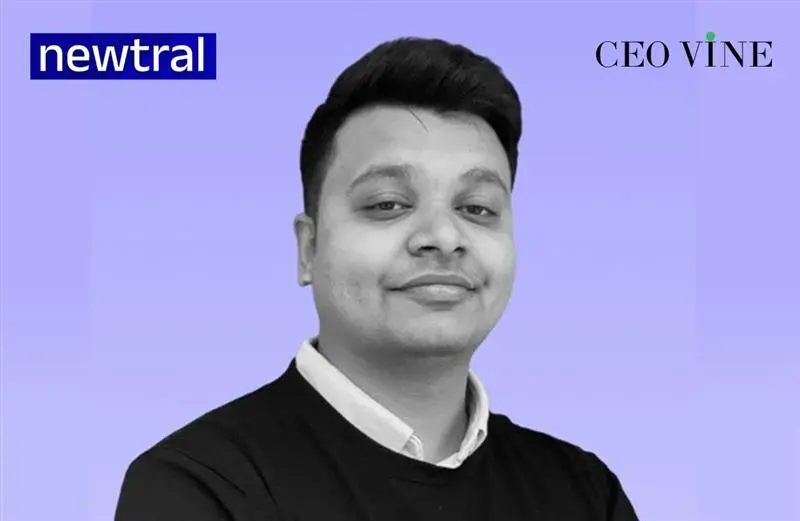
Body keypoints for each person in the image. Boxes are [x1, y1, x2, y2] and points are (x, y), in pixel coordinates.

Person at [114, 37, 640, 521]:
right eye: (388, 204)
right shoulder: (198, 486)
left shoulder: (585, 493)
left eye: (477, 208)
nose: (443, 237)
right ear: (309, 249)